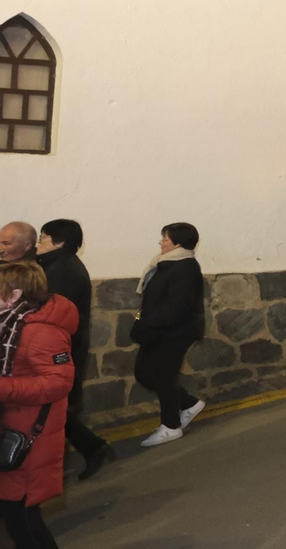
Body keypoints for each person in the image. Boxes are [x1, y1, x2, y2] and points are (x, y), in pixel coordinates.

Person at [0, 261, 77, 549]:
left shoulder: (41, 331)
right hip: (12, 424)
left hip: (27, 433)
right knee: (17, 515)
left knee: (22, 517)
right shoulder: (10, 324)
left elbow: (58, 383)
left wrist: (3, 388)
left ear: (14, 294)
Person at [35, 220, 112, 479]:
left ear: (60, 242)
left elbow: (51, 314)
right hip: (62, 348)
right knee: (53, 408)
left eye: (43, 238)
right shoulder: (57, 265)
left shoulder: (64, 271)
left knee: (52, 407)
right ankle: (94, 447)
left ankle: (92, 448)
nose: (39, 243)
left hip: (59, 350)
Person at [131, 223, 206, 447]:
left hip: (176, 331)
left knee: (163, 376)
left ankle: (171, 427)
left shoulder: (186, 267)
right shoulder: (165, 264)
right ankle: (190, 404)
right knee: (144, 373)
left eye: (165, 238)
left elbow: (177, 306)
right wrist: (143, 321)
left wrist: (147, 322)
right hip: (158, 328)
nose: (161, 242)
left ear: (178, 243)